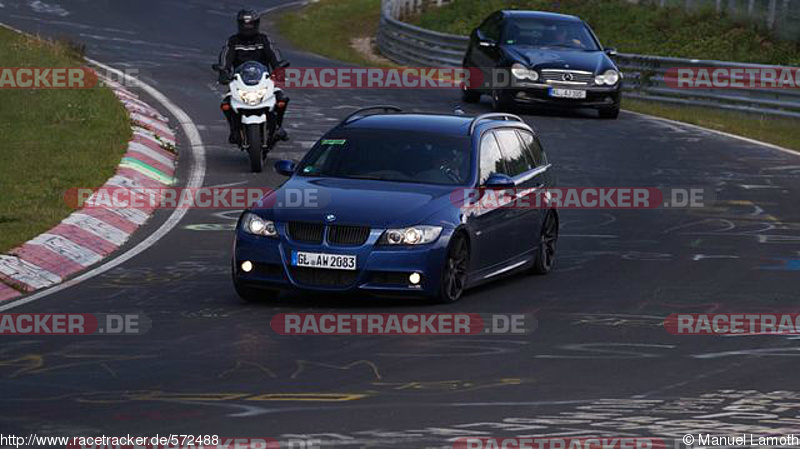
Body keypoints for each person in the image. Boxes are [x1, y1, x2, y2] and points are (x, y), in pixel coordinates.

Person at [219, 9, 289, 144]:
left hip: (264, 80)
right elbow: (226, 56)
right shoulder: (233, 41)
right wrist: (223, 70)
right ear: (239, 24)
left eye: (250, 24)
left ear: (256, 24)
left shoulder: (263, 39)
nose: (247, 27)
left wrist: (279, 68)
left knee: (282, 99)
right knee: (226, 104)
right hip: (239, 81)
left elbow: (273, 53)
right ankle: (234, 130)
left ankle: (278, 127)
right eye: (244, 24)